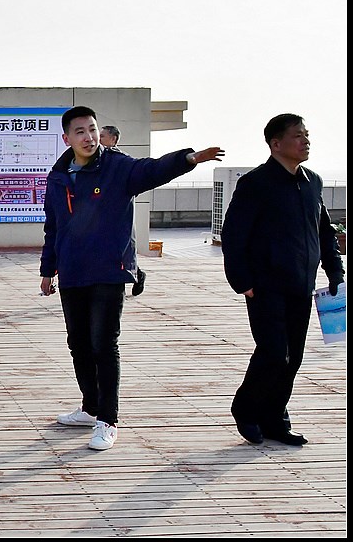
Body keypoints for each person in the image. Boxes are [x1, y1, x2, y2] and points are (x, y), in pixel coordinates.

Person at [40, 106, 223, 450]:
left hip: (109, 271)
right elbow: (54, 227)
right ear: (66, 138)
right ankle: (90, 407)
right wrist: (47, 269)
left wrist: (188, 159)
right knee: (78, 343)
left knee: (103, 344)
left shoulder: (117, 167)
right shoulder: (59, 176)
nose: (89, 137)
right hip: (73, 271)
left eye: (92, 129)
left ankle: (107, 419)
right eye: (80, 131)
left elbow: (152, 170)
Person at [221, 113, 344, 446]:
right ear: (276, 143)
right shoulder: (256, 184)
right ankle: (246, 410)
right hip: (265, 286)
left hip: (301, 285)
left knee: (294, 357)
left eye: (307, 134)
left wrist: (335, 271)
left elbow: (324, 231)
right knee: (274, 353)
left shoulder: (312, 182)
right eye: (298, 135)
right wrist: (241, 280)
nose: (306, 141)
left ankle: (275, 419)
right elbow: (234, 235)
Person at [99, 125, 147, 297]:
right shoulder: (96, 159)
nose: (98, 139)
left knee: (120, 251)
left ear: (113, 139)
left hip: (117, 213)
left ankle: (136, 275)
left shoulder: (122, 161)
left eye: (102, 136)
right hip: (99, 212)